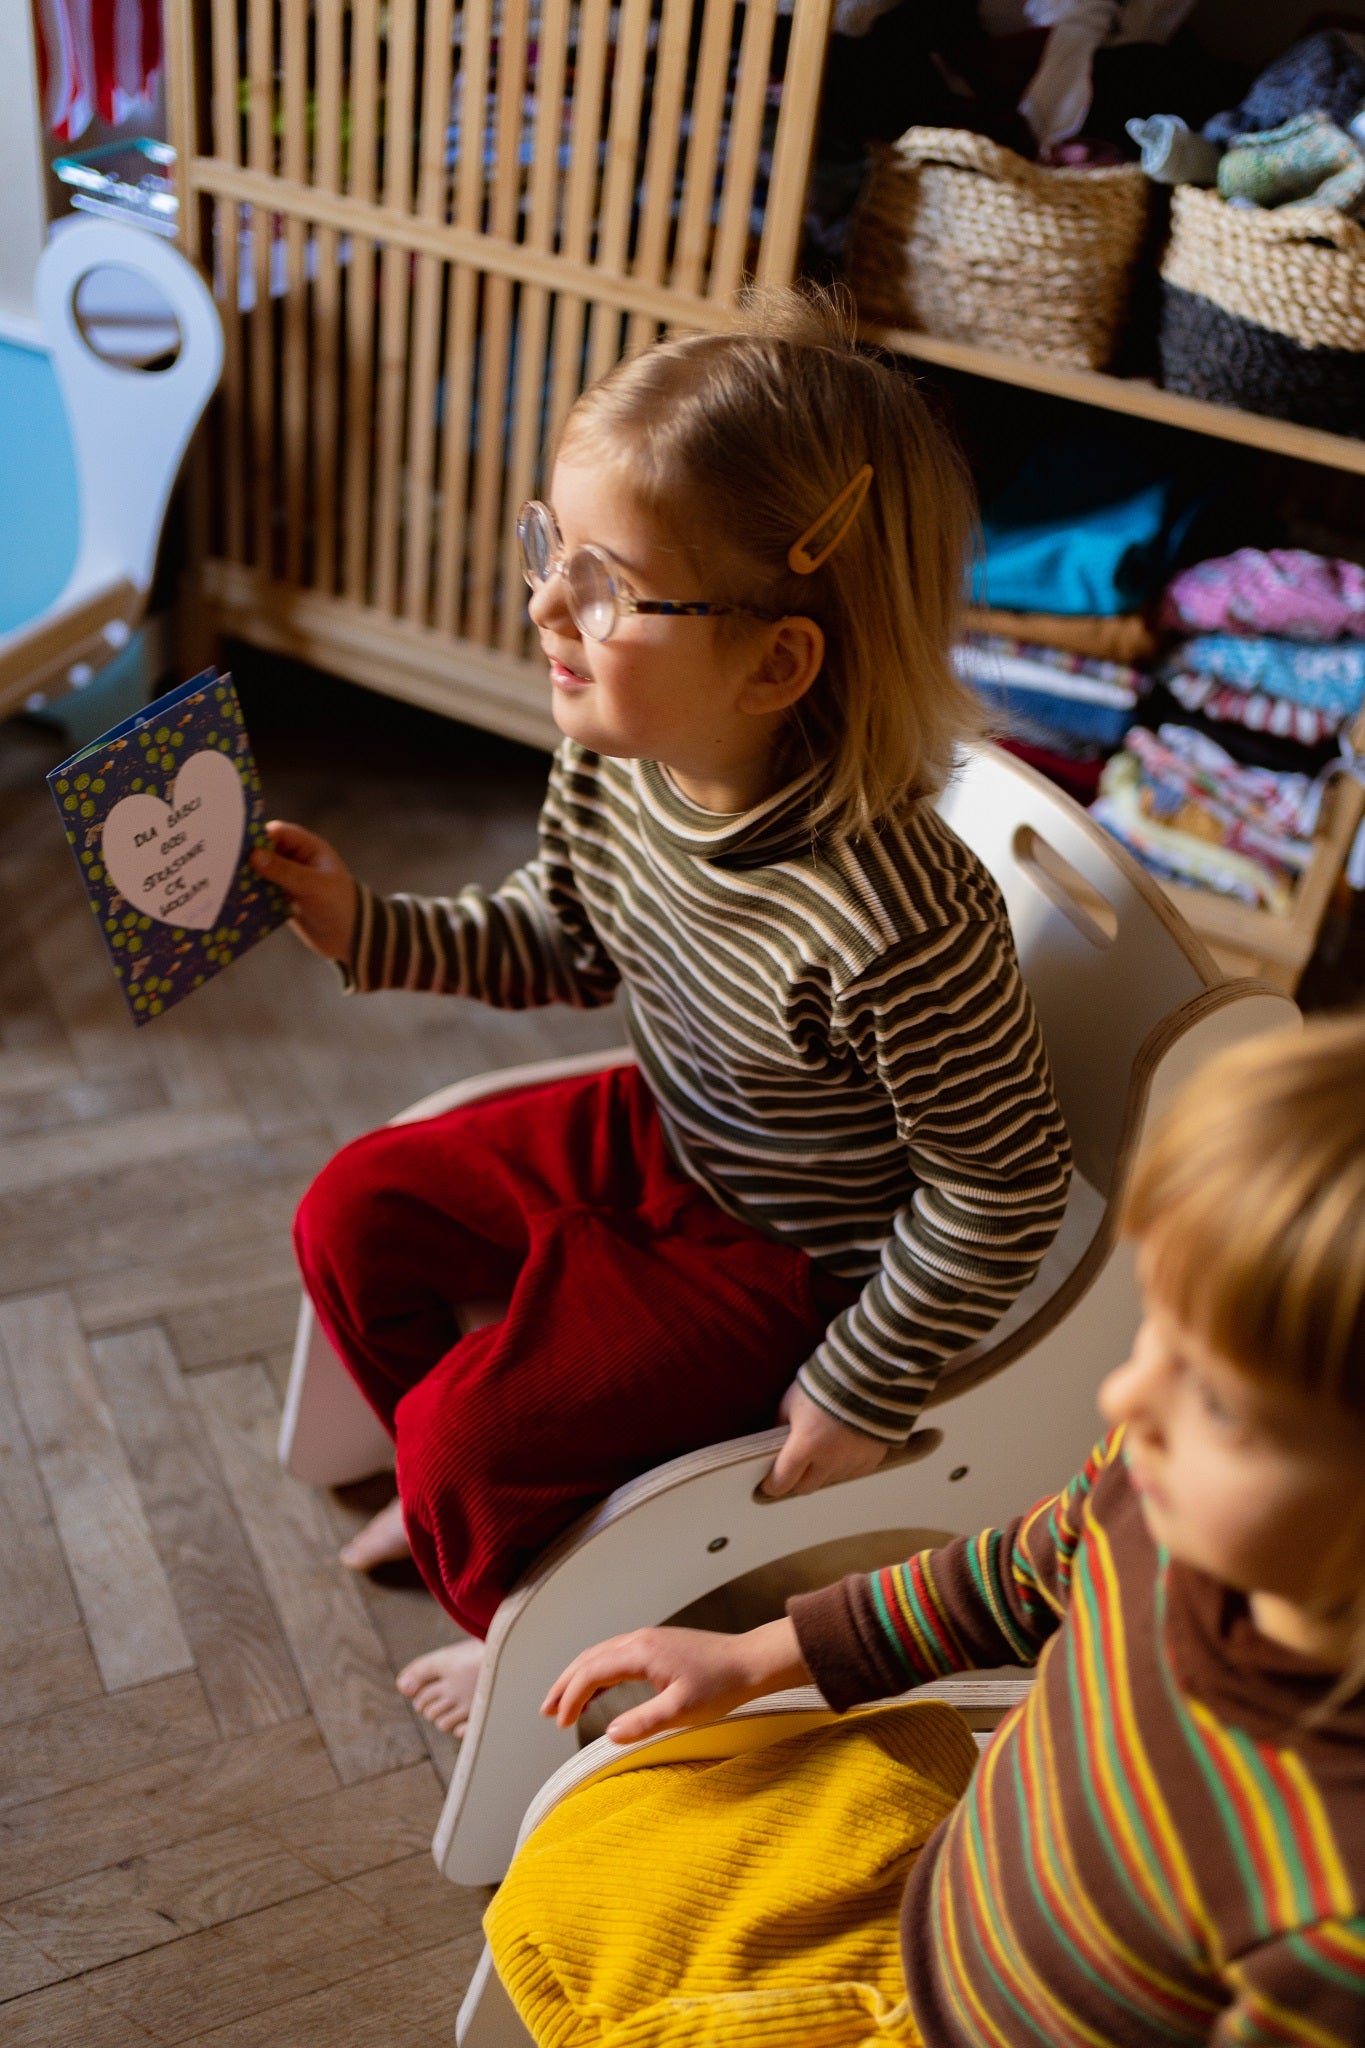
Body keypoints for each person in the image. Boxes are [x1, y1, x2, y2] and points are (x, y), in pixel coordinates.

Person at [251, 289, 1072, 1735]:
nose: (543, 608)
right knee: (350, 1209)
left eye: (605, 587)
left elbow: (997, 1185)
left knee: (465, 1440)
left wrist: (861, 1384)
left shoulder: (897, 913)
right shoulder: (622, 764)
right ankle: (476, 1503)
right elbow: (564, 936)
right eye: (546, 551)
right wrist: (361, 922)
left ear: (776, 663)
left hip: (784, 1258)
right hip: (664, 1132)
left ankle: (511, 1615)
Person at [497, 1014, 1365, 2046]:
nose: (1129, 1398)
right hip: (935, 1907)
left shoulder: (1329, 1921)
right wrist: (753, 1654)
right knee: (564, 1870)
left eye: (1218, 1401)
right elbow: (1006, 1576)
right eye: (1157, 1335)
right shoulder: (1156, 1486)